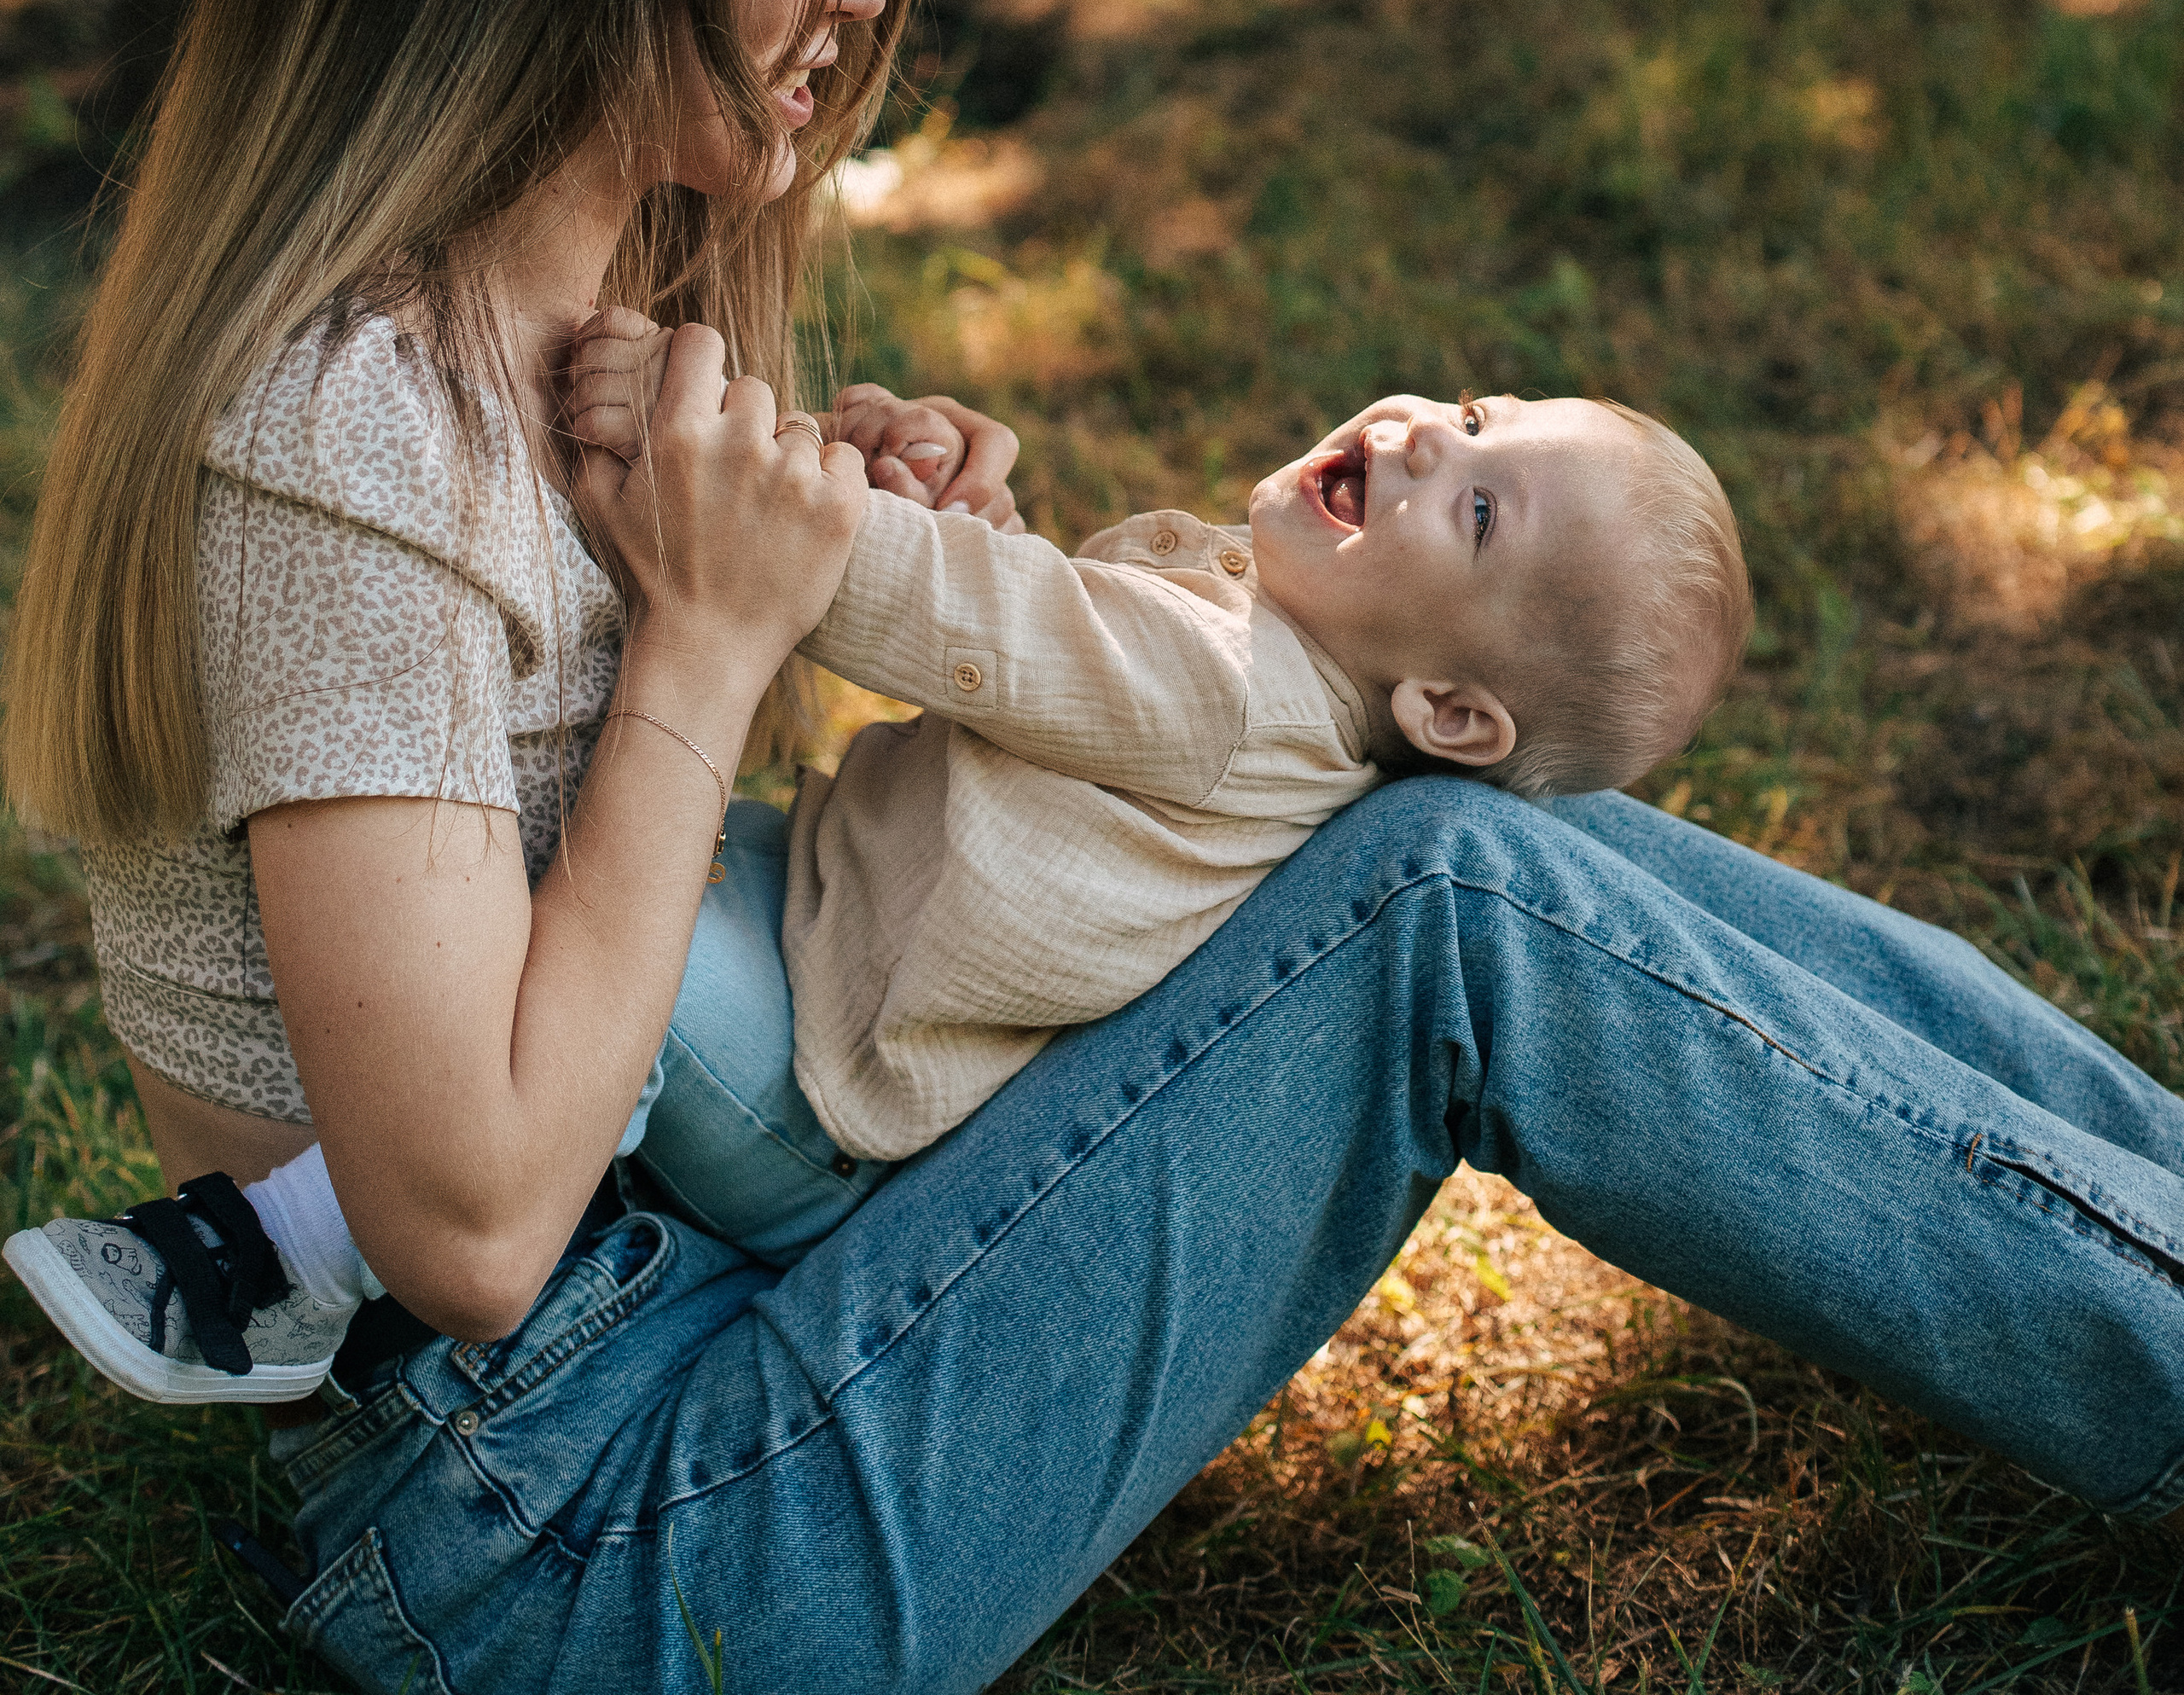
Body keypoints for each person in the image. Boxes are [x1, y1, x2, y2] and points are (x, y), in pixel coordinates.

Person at [3, 0, 2182, 1695]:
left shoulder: (562, 308)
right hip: (579, 1523)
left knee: (1476, 826)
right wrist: (707, 634)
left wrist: (867, 543)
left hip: (732, 1284)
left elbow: (705, 873)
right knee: (1447, 899)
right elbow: (471, 1236)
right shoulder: (344, 445)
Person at [10, 367, 1751, 1394]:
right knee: (627, 878)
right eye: (1471, 414)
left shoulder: (1233, 702)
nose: (1435, 443)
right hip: (834, 917)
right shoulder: (1251, 662)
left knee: (617, 942)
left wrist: (782, 515)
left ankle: (279, 1267)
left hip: (818, 1080)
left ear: (1449, 711)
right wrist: (950, 520)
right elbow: (1038, 666)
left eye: (1477, 513)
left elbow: (1000, 642)